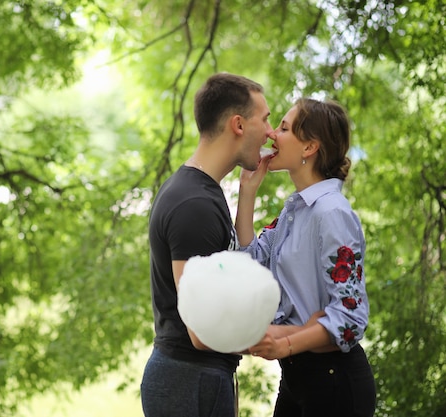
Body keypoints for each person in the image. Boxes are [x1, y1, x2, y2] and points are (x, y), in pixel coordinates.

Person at [140, 73, 274, 417]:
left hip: (199, 377)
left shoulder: (203, 192)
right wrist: (290, 340)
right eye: (266, 119)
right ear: (239, 124)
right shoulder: (193, 205)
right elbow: (200, 331)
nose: (271, 133)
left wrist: (248, 194)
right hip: (188, 381)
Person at [235, 98, 377, 417]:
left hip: (335, 383)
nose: (272, 134)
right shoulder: (294, 210)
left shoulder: (332, 213)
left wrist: (285, 341)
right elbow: (249, 266)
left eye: (284, 128)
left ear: (309, 147)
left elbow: (351, 319)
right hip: (296, 378)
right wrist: (247, 192)